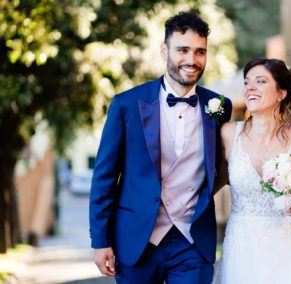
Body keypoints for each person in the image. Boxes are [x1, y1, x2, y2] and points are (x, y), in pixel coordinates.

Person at [89, 11, 232, 284]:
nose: (192, 60)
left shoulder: (219, 107)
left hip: (192, 242)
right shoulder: (126, 105)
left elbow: (223, 167)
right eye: (183, 50)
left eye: (200, 52)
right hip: (137, 241)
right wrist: (100, 241)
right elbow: (104, 178)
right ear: (164, 50)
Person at [214, 58, 291, 284]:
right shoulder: (229, 134)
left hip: (290, 247)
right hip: (242, 245)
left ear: (281, 93)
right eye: (247, 82)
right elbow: (214, 182)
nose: (250, 87)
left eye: (260, 81)